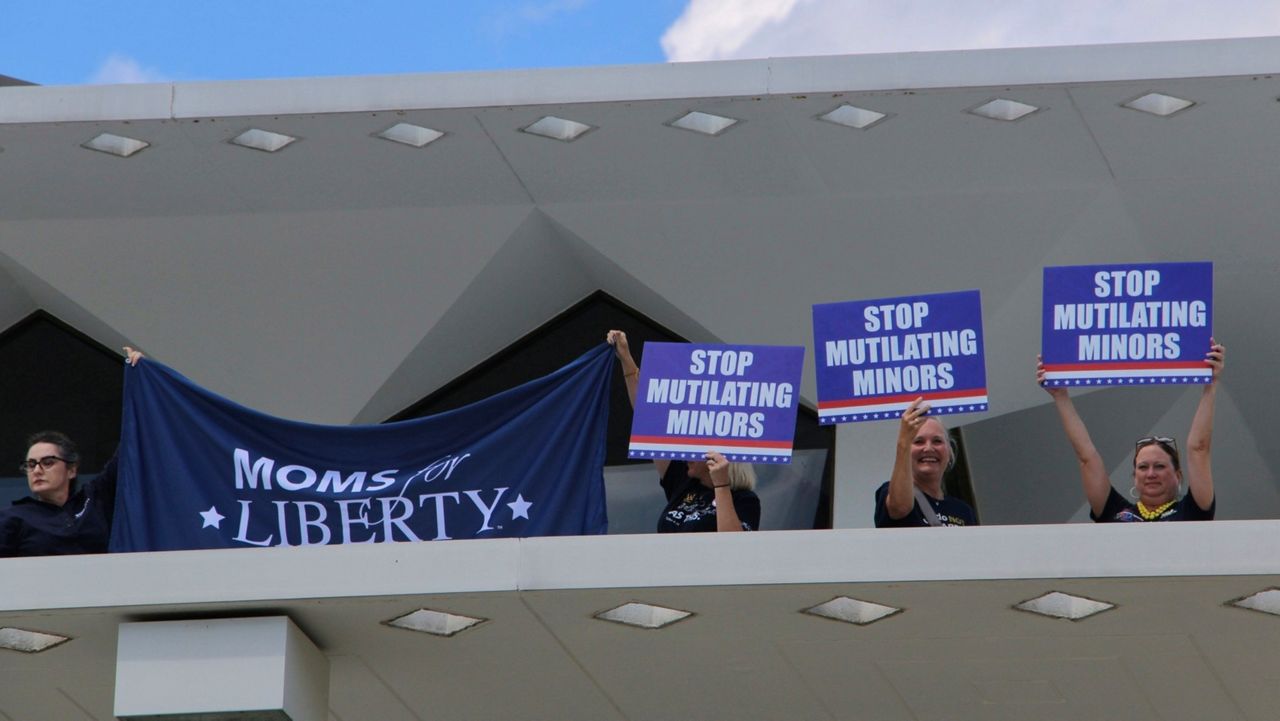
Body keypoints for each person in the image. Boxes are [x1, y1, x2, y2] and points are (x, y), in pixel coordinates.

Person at [1037, 339, 1224, 522]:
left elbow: (1198, 449)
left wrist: (1211, 385)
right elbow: (1086, 458)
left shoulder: (1192, 511)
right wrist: (1060, 396)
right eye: (1143, 467)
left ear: (1178, 475)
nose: (1151, 474)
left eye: (1160, 466)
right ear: (1135, 476)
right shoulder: (1115, 512)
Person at [606, 330, 760, 532]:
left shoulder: (745, 500)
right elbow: (648, 418)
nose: (686, 451)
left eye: (697, 445)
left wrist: (721, 485)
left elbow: (733, 547)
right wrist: (626, 358)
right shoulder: (683, 481)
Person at [0, 346, 144, 557]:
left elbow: (130, 450)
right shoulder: (13, 518)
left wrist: (141, 381)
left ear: (71, 469)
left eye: (47, 462)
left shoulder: (94, 500)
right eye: (31, 464)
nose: (37, 470)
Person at [875, 397, 978, 527]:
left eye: (937, 441)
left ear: (949, 451)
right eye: (918, 441)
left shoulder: (963, 511)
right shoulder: (891, 492)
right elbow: (900, 508)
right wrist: (903, 441)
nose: (928, 448)